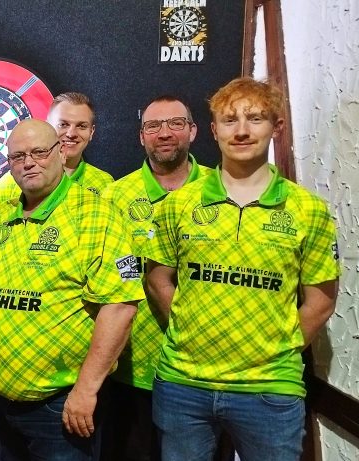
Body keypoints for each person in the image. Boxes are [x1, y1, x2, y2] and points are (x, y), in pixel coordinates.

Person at [143, 77, 339, 461]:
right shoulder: (179, 204)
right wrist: (187, 330)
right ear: (214, 130)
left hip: (269, 389)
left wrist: (275, 350)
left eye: (255, 118)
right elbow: (158, 279)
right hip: (184, 384)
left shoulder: (308, 210)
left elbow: (321, 302)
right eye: (230, 120)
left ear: (276, 127)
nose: (242, 131)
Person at [0, 118, 141, 460]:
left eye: (39, 152)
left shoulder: (96, 215)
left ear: (61, 152)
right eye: (18, 156)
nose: (28, 163)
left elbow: (121, 306)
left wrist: (86, 390)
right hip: (0, 402)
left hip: (60, 405)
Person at [97, 95, 211, 461]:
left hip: (205, 368)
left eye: (176, 123)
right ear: (141, 136)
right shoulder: (115, 196)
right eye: (153, 126)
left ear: (193, 131)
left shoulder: (220, 190)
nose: (164, 133)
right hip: (134, 368)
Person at [0, 92, 113, 201]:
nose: (71, 134)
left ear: (91, 132)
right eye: (63, 124)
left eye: (81, 126)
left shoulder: (103, 183)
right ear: (48, 126)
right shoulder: (9, 185)